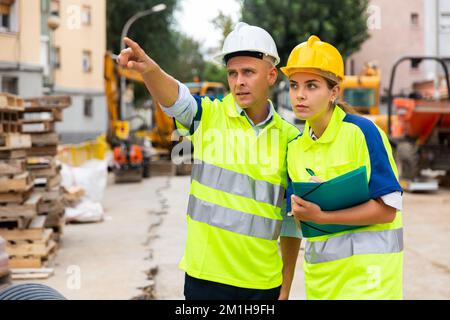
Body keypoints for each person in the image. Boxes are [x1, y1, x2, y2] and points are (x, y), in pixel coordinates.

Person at [117, 22, 301, 300]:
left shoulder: (290, 139)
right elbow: (176, 99)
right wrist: (150, 71)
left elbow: (290, 223)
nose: (239, 81)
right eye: (232, 73)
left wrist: (285, 288)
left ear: (271, 75)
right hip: (205, 279)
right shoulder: (207, 117)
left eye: (248, 72)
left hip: (263, 283)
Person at [281, 35, 404, 299]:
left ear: (334, 92)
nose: (299, 94)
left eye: (311, 85)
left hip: (370, 284)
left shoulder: (363, 133)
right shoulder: (294, 149)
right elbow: (299, 224)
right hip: (321, 286)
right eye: (293, 85)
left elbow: (387, 211)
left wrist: (322, 216)